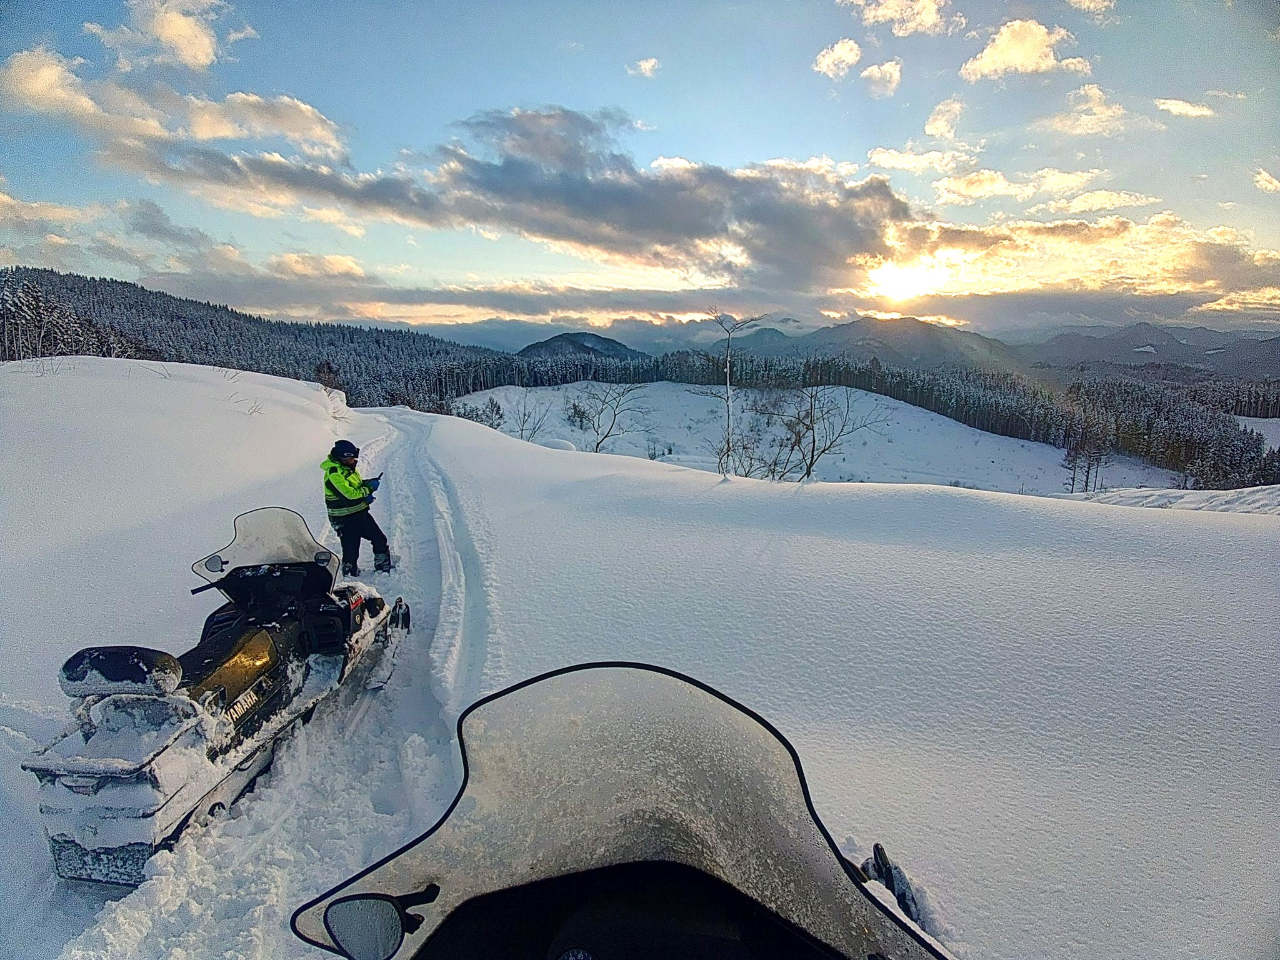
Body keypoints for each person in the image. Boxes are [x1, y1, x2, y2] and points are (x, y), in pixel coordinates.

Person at [322, 440, 391, 576]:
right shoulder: (334, 473)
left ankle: (382, 565)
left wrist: (366, 483)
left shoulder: (347, 468)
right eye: (351, 457)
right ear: (342, 457)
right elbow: (349, 495)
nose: (354, 460)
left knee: (379, 539)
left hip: (359, 514)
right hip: (343, 519)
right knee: (351, 549)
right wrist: (368, 489)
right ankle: (349, 574)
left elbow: (354, 486)